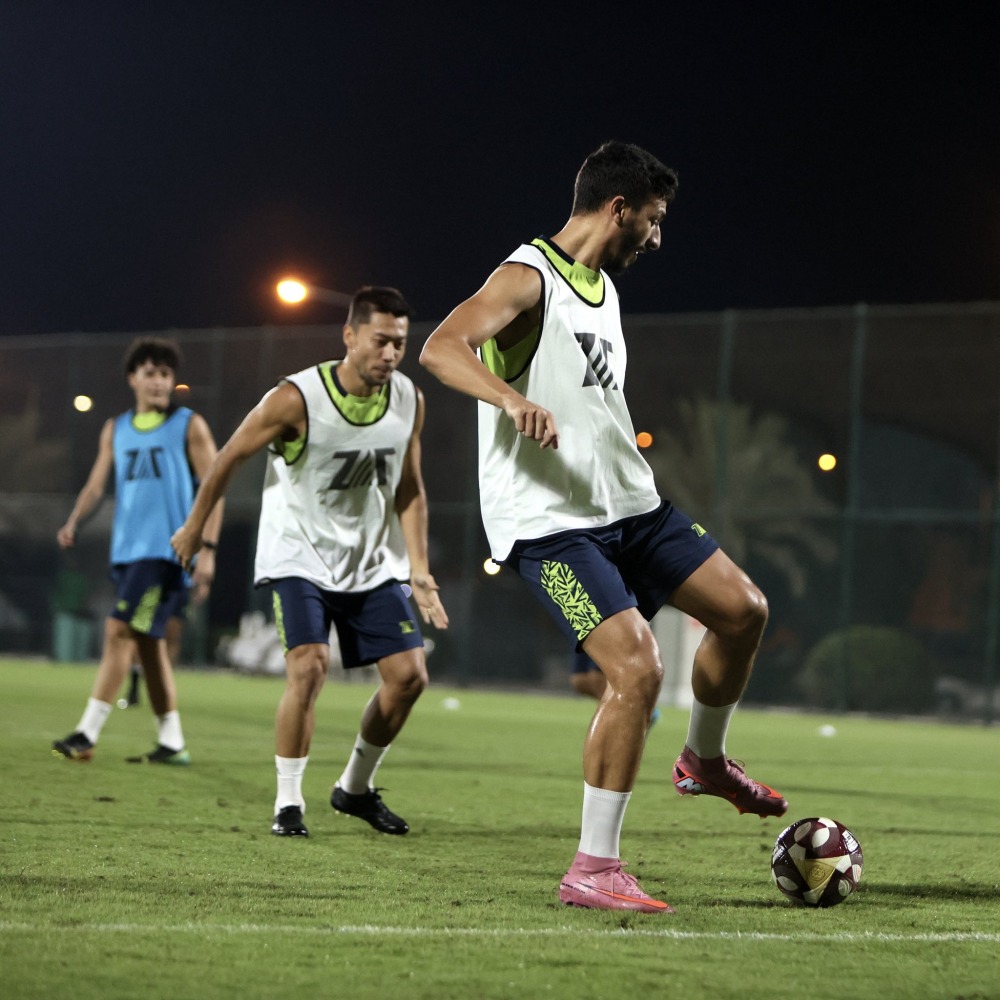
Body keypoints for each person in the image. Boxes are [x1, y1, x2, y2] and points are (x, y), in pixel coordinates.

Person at [419, 140, 787, 914]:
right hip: (550, 526)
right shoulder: (527, 277)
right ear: (617, 209)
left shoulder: (603, 291)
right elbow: (441, 347)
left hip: (632, 507)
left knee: (744, 610)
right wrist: (508, 398)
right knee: (638, 670)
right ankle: (593, 867)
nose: (657, 237)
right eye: (652, 221)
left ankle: (704, 762)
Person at [171, 285, 448, 838]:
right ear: (349, 336)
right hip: (298, 553)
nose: (390, 353)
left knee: (409, 677)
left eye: (399, 343)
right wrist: (195, 527)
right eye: (380, 341)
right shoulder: (297, 398)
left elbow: (411, 488)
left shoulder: (409, 401)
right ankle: (288, 802)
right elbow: (226, 458)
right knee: (309, 667)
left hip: (370, 562)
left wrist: (418, 565)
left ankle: (354, 788)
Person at [53, 337, 223, 764]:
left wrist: (210, 550)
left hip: (166, 554)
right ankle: (172, 742)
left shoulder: (188, 425)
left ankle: (87, 733)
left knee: (118, 631)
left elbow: (215, 487)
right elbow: (96, 486)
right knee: (148, 645)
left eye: (166, 374)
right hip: (129, 552)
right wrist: (75, 521)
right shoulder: (117, 428)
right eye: (150, 373)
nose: (159, 381)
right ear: (133, 378)